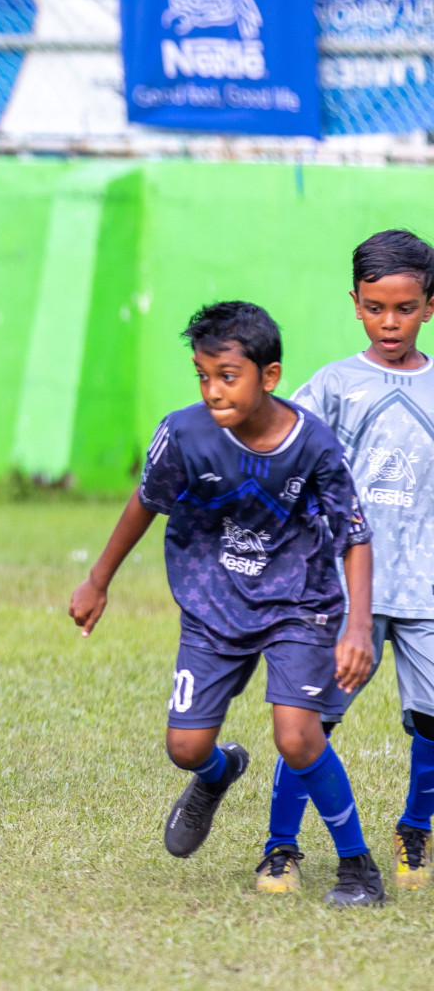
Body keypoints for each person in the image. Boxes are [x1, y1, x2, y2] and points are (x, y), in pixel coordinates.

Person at [69, 301, 385, 906]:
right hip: (213, 604)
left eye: (228, 376)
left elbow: (354, 533)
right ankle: (220, 773)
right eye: (202, 375)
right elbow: (145, 501)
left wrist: (358, 626)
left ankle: (357, 866)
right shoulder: (183, 434)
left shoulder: (313, 444)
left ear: (269, 376)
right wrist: (98, 579)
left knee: (297, 737)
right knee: (184, 748)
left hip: (299, 604)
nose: (213, 390)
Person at [258, 230, 434, 894]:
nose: (391, 322)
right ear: (355, 304)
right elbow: (285, 457)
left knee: (433, 720)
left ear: (431, 306)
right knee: (309, 720)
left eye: (406, 307)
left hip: (425, 589)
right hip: (341, 592)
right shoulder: (334, 385)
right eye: (376, 307)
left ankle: (415, 827)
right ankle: (281, 846)